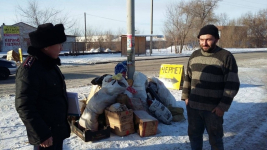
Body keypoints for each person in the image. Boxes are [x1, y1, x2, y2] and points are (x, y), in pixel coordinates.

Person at [181, 24, 240, 150]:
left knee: (216, 140)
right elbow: (188, 78)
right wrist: (186, 97)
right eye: (201, 40)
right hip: (194, 108)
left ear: (216, 39)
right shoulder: (194, 55)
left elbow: (232, 84)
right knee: (194, 137)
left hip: (213, 110)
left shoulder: (226, 57)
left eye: (208, 39)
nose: (204, 43)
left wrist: (222, 106)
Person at [15, 23, 70, 150]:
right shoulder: (30, 70)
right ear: (46, 46)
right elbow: (24, 106)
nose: (61, 48)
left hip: (56, 131)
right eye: (59, 44)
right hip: (46, 136)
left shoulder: (49, 64)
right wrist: (42, 134)